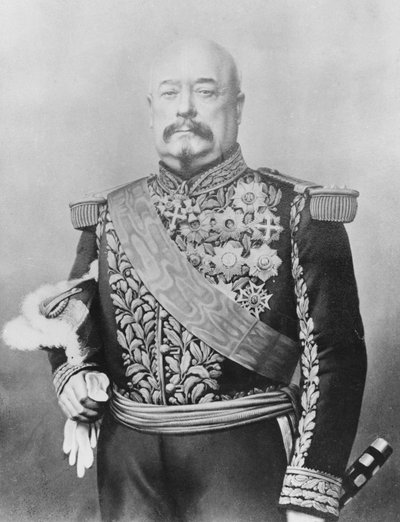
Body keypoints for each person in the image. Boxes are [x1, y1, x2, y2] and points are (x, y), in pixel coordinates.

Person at [43, 39, 367, 521]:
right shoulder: (109, 214)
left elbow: (335, 356)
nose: (186, 108)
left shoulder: (300, 213)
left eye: (206, 91)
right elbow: (69, 319)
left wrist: (310, 490)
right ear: (151, 110)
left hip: (244, 459)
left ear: (238, 107)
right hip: (127, 461)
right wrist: (75, 377)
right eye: (170, 93)